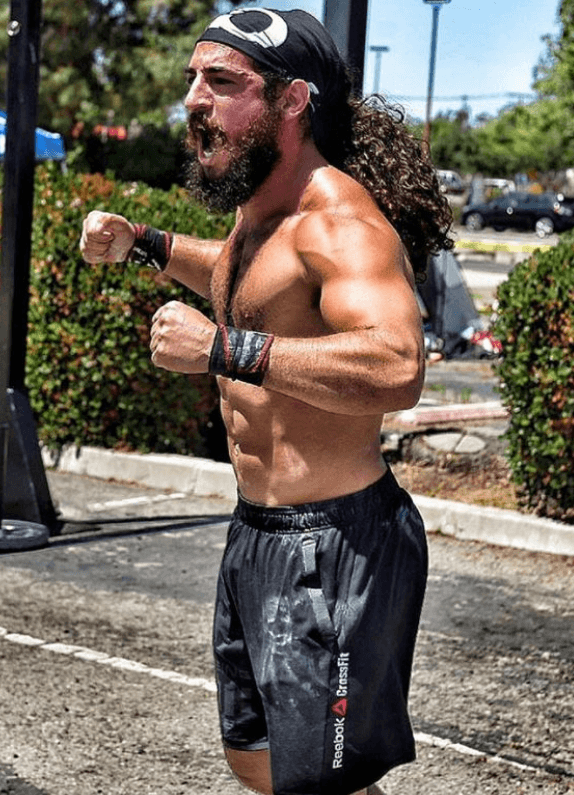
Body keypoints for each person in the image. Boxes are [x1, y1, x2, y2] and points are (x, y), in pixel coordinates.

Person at [80, 8, 452, 794]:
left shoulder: (341, 222)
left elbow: (397, 364)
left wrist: (222, 350)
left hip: (337, 545)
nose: (193, 100)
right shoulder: (262, 212)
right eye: (193, 79)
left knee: (324, 778)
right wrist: (145, 241)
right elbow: (251, 283)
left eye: (222, 81)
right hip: (259, 532)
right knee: (257, 757)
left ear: (291, 102)